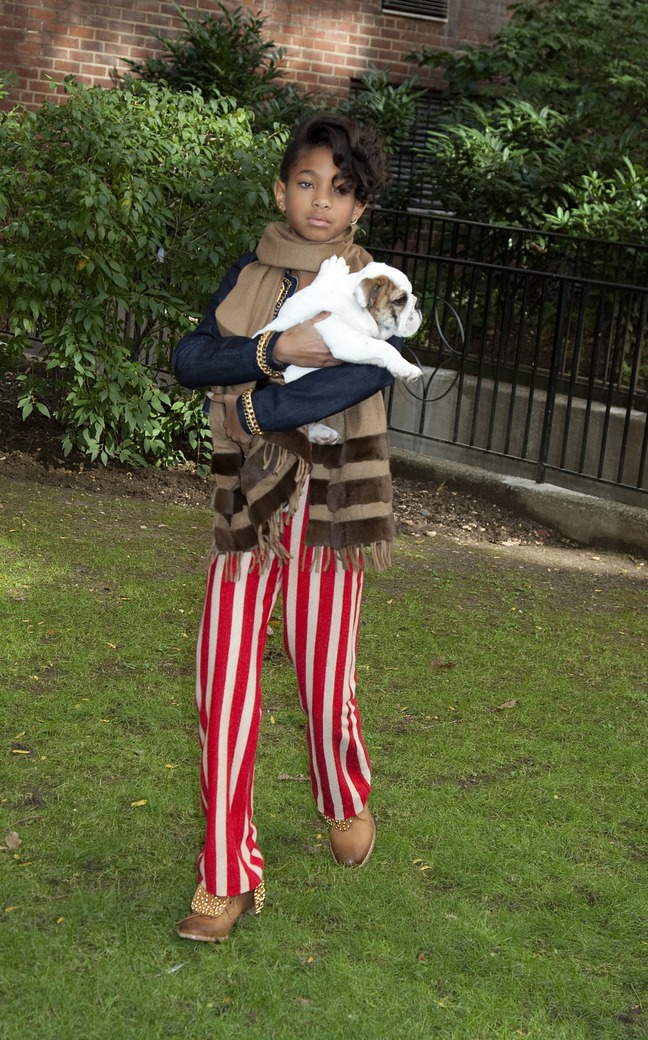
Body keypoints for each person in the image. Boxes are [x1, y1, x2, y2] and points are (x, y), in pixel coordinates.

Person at [173, 111, 402, 943]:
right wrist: (281, 346)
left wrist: (260, 391)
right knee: (221, 682)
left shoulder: (376, 287)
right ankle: (226, 875)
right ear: (281, 188)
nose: (319, 202)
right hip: (248, 503)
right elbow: (190, 359)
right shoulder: (253, 272)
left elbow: (339, 388)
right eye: (305, 182)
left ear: (358, 210)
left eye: (339, 191)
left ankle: (343, 791)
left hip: (333, 505)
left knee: (320, 675)